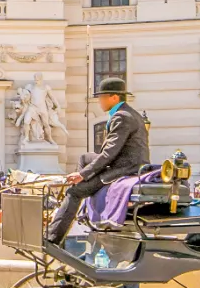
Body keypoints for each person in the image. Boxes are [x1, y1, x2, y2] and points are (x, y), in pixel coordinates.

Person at [44, 77, 152, 244]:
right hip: (124, 162)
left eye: (102, 97)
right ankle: (81, 189)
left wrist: (83, 174)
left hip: (125, 167)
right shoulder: (126, 113)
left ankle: (52, 238)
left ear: (114, 97)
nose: (99, 101)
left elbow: (109, 153)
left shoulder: (122, 116)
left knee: (75, 192)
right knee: (85, 157)